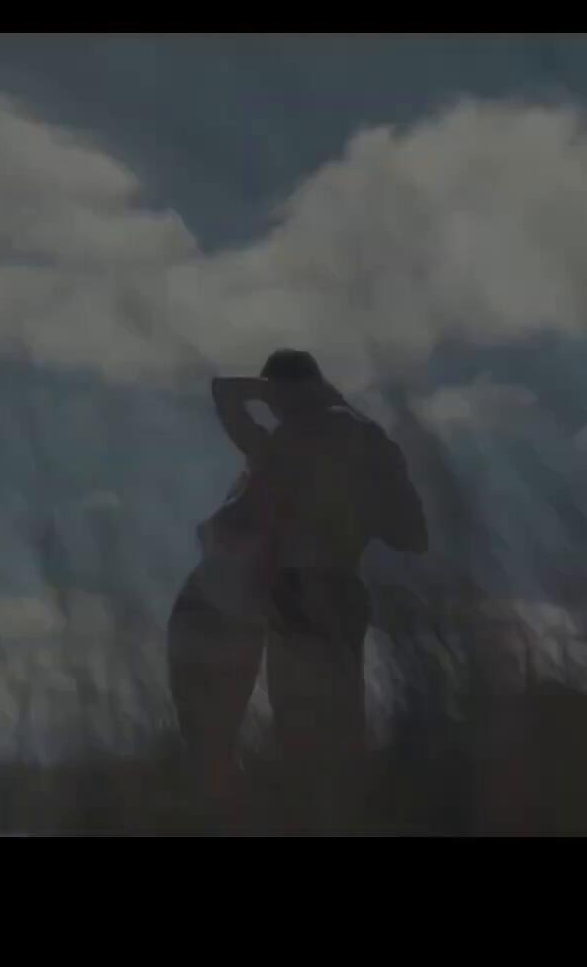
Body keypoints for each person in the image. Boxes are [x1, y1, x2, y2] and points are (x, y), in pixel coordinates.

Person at [168, 348, 427, 829]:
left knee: (306, 741)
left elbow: (226, 396)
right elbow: (414, 535)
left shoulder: (301, 439)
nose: (274, 408)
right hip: (319, 595)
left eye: (277, 398)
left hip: (306, 593)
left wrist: (279, 396)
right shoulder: (352, 440)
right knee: (325, 739)